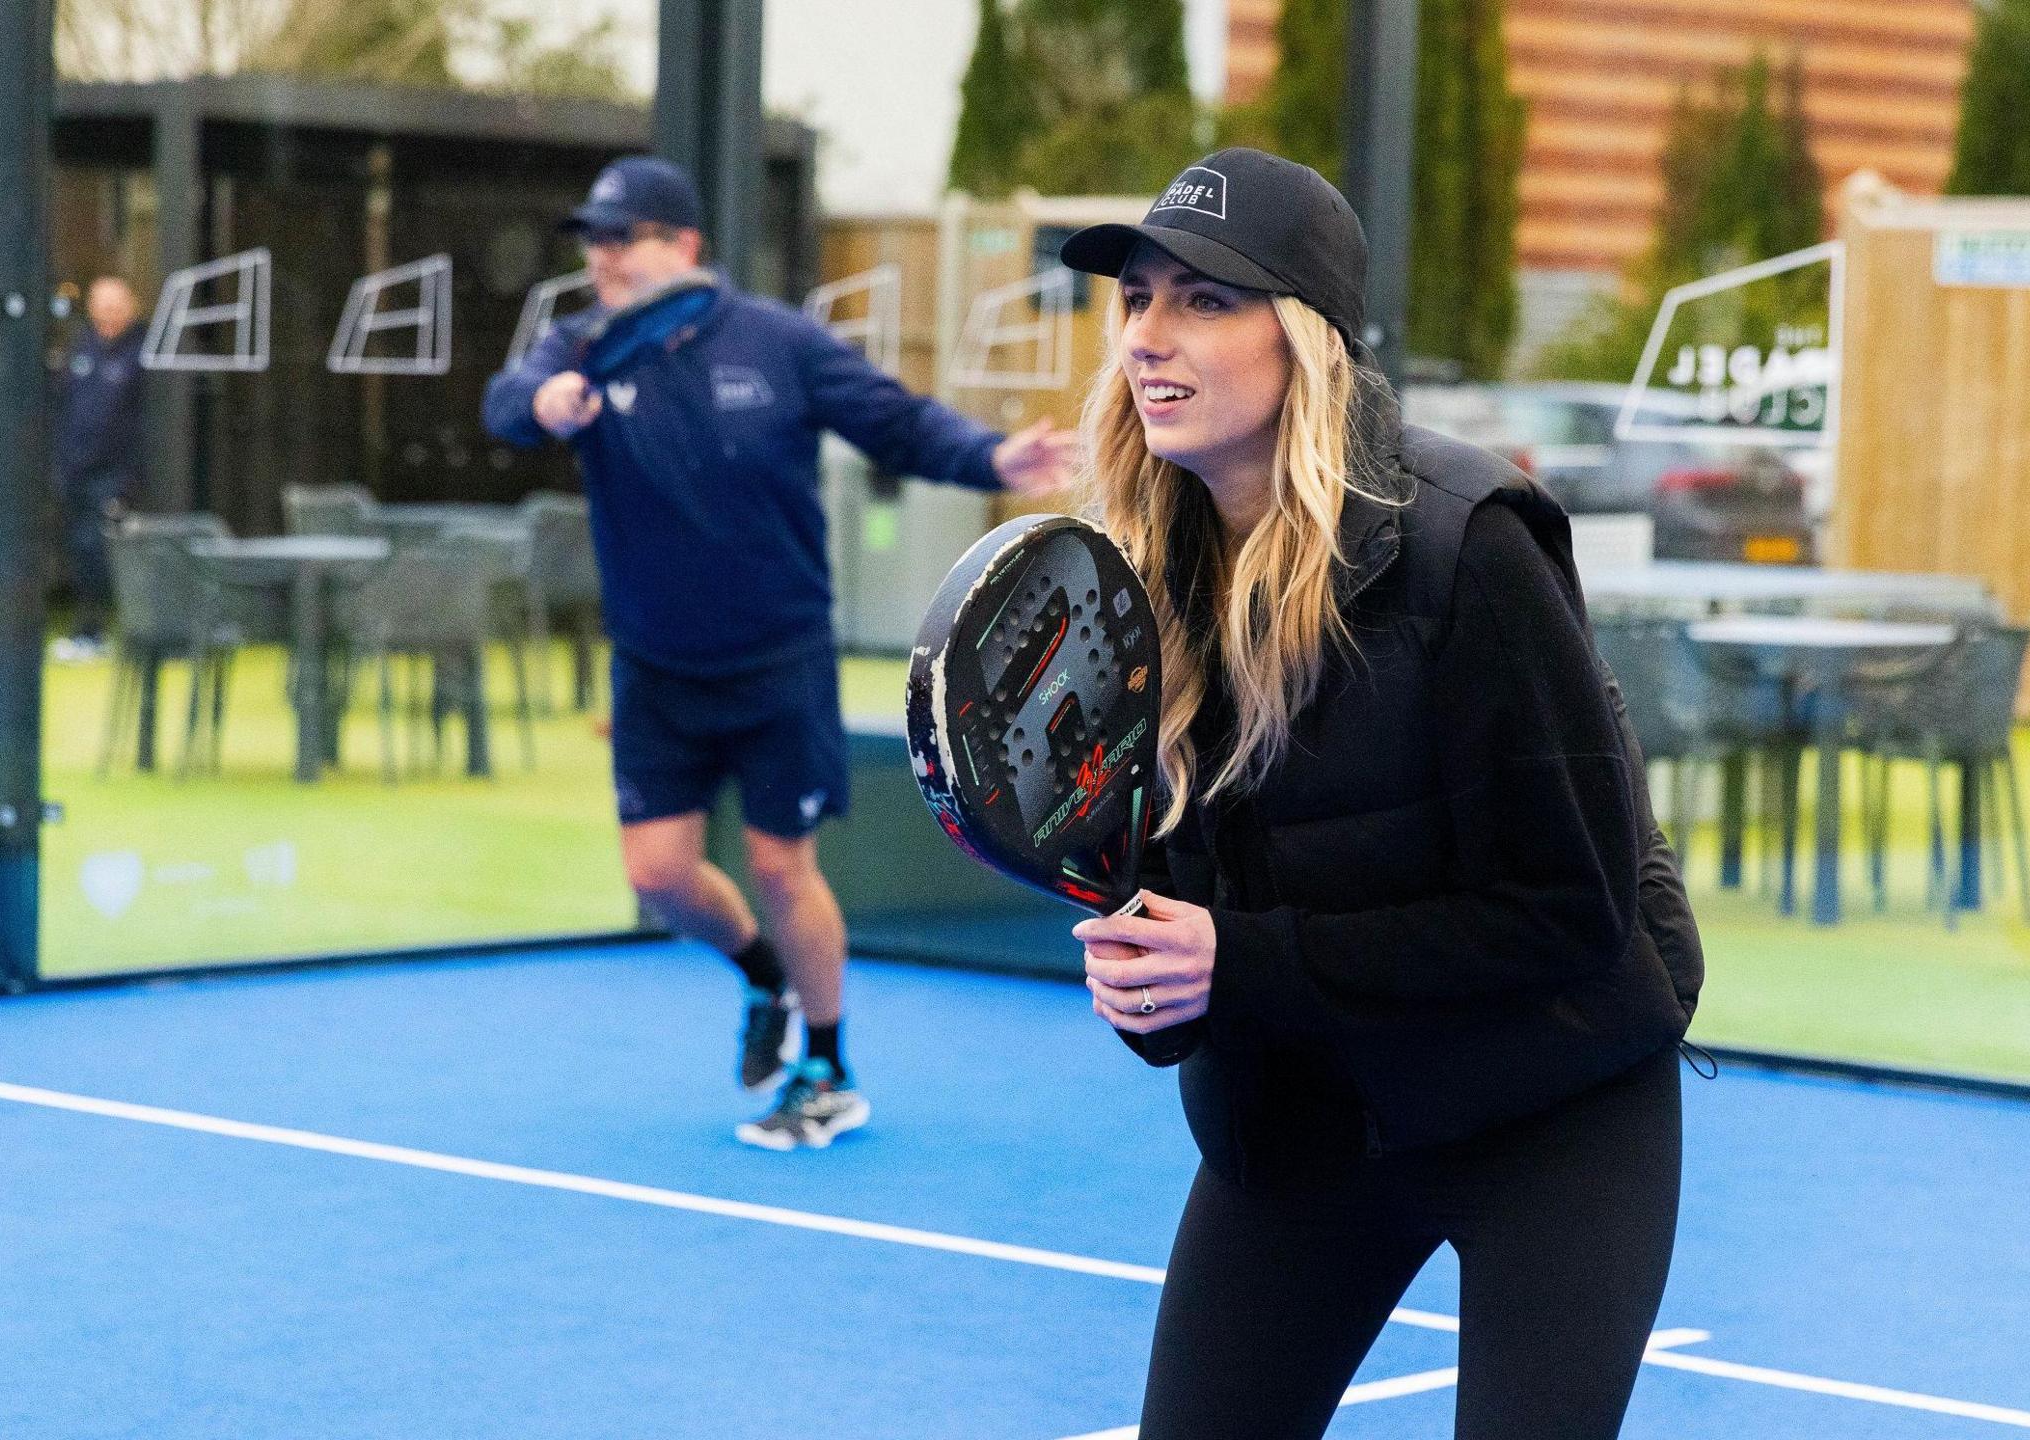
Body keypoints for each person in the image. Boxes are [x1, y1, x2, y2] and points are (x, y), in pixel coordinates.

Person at [1058, 148, 1707, 1438]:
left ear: (1304, 336)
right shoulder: (1130, 585)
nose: (1148, 337)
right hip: (1303, 1118)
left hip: (1552, 1103)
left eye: (1201, 299)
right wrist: (1157, 985)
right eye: (1136, 298)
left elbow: (1567, 911)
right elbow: (1190, 948)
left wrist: (1235, 965)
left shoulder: (1474, 544)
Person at [482, 155, 1075, 1150]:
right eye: (593, 240)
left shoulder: (779, 343)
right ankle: (764, 978)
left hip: (777, 660)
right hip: (655, 668)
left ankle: (829, 1065)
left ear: (683, 246)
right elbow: (510, 400)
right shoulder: (578, 349)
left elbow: (894, 420)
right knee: (660, 876)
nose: (603, 258)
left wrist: (992, 459)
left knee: (779, 864)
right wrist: (544, 407)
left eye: (620, 238)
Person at [51, 275, 147, 662]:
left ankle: (107, 632)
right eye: (101, 303)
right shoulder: (80, 348)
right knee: (80, 550)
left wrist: (131, 477)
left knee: (105, 551)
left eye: (116, 304)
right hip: (76, 472)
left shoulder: (141, 353)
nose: (108, 311)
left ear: (130, 307)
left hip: (116, 476)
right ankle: (87, 630)